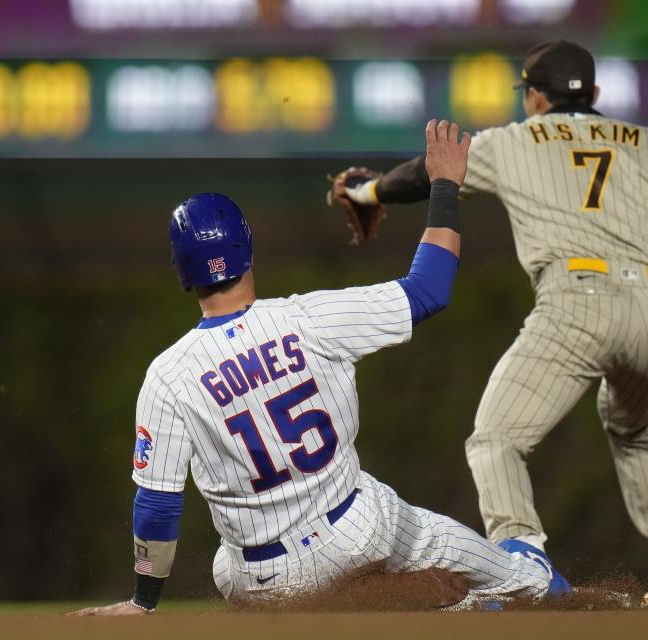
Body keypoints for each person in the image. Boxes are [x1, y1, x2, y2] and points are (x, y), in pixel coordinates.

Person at [71, 119, 571, 617]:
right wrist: (443, 184)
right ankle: (521, 592)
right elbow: (428, 289)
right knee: (520, 576)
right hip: (356, 531)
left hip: (262, 579)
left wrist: (144, 602)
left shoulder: (168, 374)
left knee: (226, 564)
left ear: (181, 270)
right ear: (247, 248)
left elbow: (157, 506)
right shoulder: (307, 319)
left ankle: (433, 611)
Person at [331, 41, 648, 610]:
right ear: (593, 95)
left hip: (578, 302)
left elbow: (430, 172)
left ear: (536, 97)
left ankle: (522, 559)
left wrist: (366, 190)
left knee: (496, 440)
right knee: (636, 432)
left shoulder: (516, 139)